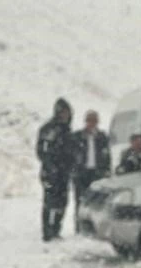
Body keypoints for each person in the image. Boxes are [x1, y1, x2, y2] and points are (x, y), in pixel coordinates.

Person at [36, 97, 75, 241]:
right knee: (49, 202)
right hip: (50, 172)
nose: (65, 115)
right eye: (63, 112)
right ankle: (47, 231)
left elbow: (72, 151)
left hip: (64, 172)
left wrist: (70, 166)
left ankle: (56, 229)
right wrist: (50, 166)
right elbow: (41, 151)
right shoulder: (48, 129)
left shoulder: (68, 131)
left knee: (63, 202)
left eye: (67, 113)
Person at [71, 110, 111, 230]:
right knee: (80, 201)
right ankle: (79, 227)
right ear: (86, 121)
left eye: (94, 121)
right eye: (89, 121)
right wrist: (74, 170)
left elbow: (107, 156)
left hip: (97, 173)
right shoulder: (77, 136)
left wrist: (106, 170)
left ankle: (94, 228)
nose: (92, 123)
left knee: (97, 202)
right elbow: (71, 154)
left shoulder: (102, 137)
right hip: (81, 173)